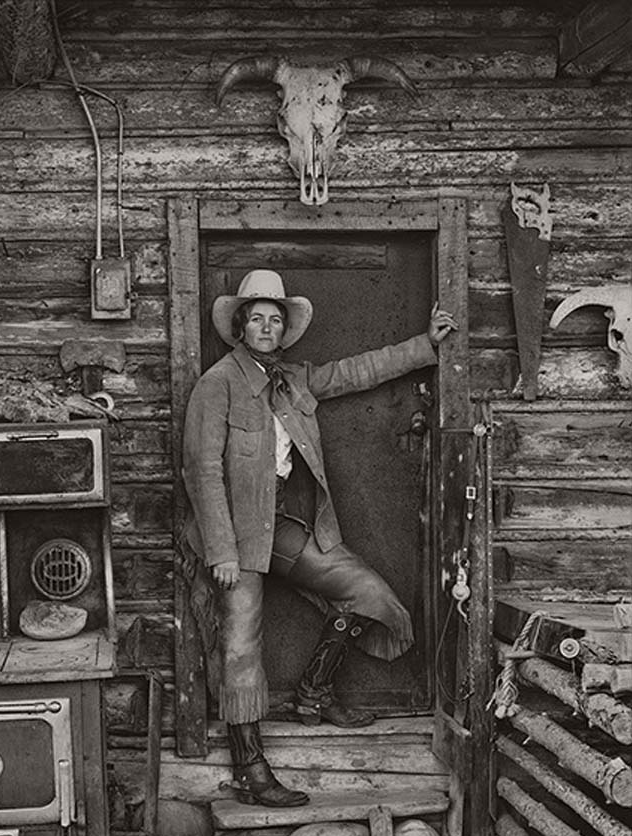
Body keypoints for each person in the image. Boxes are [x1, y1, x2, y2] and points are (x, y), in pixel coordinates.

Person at [181, 268, 458, 808]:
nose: (266, 327)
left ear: (284, 332)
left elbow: (358, 372)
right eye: (256, 318)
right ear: (240, 327)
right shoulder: (217, 385)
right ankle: (251, 770)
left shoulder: (293, 379)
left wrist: (426, 345)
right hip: (234, 535)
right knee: (241, 644)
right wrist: (221, 551)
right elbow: (201, 471)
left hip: (279, 524)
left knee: (368, 593)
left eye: (275, 320)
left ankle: (313, 693)